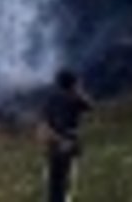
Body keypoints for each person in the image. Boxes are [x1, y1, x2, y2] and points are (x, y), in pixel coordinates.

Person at [41, 69, 93, 202]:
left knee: (54, 183)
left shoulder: (50, 99)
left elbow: (45, 125)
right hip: (70, 142)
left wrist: (55, 139)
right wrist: (78, 90)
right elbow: (90, 106)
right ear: (73, 84)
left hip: (53, 145)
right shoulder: (75, 98)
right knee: (67, 181)